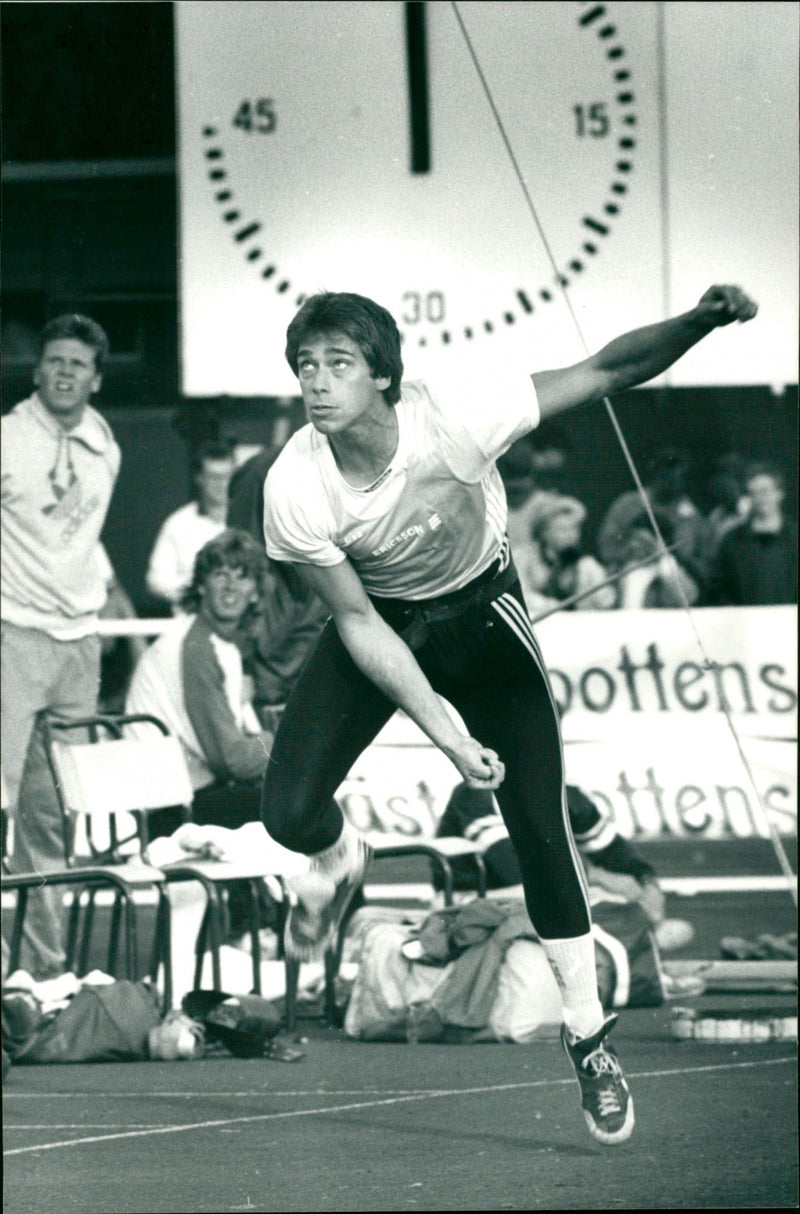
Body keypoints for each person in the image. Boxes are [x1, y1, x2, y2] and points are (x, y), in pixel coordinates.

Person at [260, 284, 757, 1146]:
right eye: (306, 365)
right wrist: (449, 736)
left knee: (535, 818)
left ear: (383, 375)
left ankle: (589, 1036)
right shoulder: (294, 483)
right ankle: (343, 855)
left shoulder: (455, 415)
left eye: (338, 363)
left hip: (482, 614)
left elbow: (608, 368)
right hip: (381, 619)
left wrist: (701, 321)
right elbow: (356, 623)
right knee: (286, 814)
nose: (317, 381)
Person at [1, 313, 120, 979]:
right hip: (13, 637)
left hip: (81, 646)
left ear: (96, 379)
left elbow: (79, 542)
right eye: (55, 361)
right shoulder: (7, 438)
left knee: (51, 819)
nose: (65, 372)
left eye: (78, 363)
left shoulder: (106, 446)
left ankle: (41, 974)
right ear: (39, 369)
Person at [126, 529, 277, 939]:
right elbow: (234, 759)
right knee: (296, 806)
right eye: (220, 574)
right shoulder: (196, 646)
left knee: (293, 803)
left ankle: (260, 930)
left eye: (242, 576)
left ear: (255, 591)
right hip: (171, 815)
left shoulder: (218, 645)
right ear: (201, 584)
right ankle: (323, 933)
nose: (230, 585)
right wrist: (282, 742)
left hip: (190, 801)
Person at [434, 782, 692, 954]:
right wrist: (598, 877)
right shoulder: (476, 791)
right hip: (470, 900)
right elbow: (510, 864)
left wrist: (647, 884)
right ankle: (637, 948)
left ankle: (634, 949)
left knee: (611, 897)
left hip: (528, 896)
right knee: (587, 897)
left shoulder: (562, 791)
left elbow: (614, 850)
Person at [226, 445, 330, 722]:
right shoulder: (262, 472)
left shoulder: (347, 465)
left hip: (317, 624)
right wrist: (243, 663)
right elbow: (239, 565)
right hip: (267, 643)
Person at [597, 447, 712, 595]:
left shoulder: (690, 514)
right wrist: (631, 550)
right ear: (655, 474)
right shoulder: (628, 505)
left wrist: (672, 552)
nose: (673, 481)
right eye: (667, 475)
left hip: (674, 573)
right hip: (631, 569)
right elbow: (605, 549)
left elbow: (705, 561)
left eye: (678, 476)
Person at [145, 438, 236, 611]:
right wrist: (197, 589)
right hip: (193, 626)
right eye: (214, 477)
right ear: (199, 478)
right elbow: (155, 581)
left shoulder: (250, 518)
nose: (222, 484)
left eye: (227, 476)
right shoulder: (177, 524)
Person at [704, 461, 797, 605]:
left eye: (765, 491)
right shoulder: (732, 541)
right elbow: (719, 588)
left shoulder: (795, 538)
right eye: (754, 493)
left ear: (780, 493)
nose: (760, 498)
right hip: (745, 622)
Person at [514, 495, 615, 616]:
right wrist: (551, 605)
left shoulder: (586, 565)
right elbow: (519, 595)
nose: (571, 535)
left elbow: (606, 601)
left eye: (574, 529)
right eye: (563, 530)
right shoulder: (523, 557)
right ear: (544, 533)